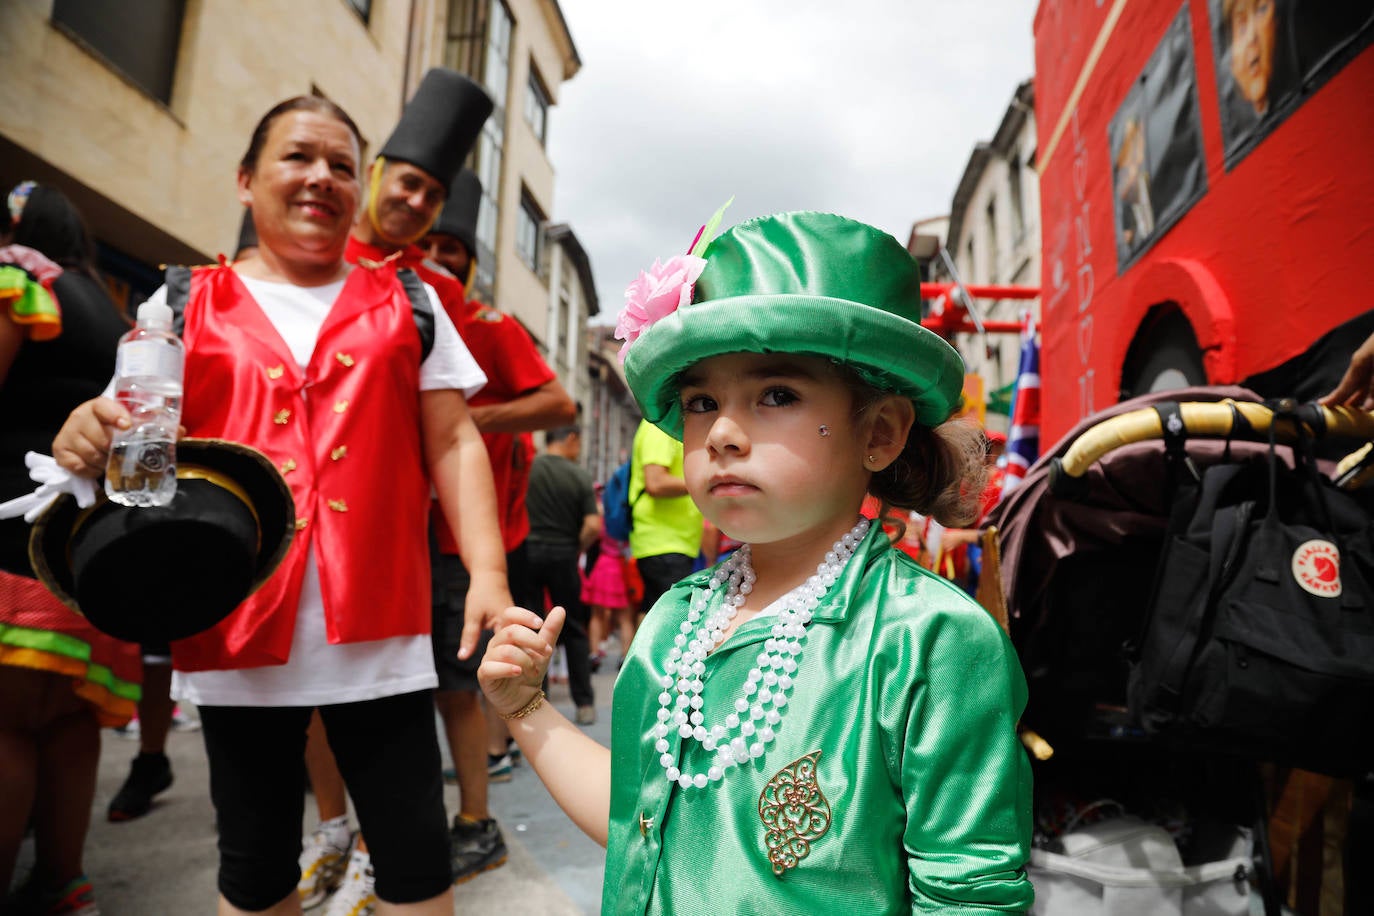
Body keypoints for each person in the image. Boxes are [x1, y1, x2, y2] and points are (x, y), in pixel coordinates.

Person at [478, 211, 1034, 913]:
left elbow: (971, 895)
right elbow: (641, 830)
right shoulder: (675, 621)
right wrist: (528, 710)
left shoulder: (929, 638)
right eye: (702, 402)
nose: (724, 435)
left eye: (777, 396)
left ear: (882, 433)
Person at [51, 93, 509, 916]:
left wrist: (487, 571)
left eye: (340, 164)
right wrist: (89, 429)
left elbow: (453, 441)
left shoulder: (411, 299)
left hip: (382, 623)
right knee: (255, 865)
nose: (320, 178)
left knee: (416, 861)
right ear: (245, 181)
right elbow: (130, 438)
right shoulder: (182, 302)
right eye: (297, 157)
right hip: (233, 618)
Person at [0, 181, 141, 914]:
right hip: (79, 542)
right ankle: (62, 879)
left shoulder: (18, 277)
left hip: (10, 521)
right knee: (64, 719)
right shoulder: (103, 303)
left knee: (8, 721)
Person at [523, 425, 600, 725]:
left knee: (531, 628)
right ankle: (584, 703)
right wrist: (575, 546)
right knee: (573, 628)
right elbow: (593, 525)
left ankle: (535, 699)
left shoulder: (529, 469)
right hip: (564, 555)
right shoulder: (578, 475)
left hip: (527, 553)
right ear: (570, 439)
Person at [627, 418, 702, 625]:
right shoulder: (660, 425)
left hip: (670, 541)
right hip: (664, 541)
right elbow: (656, 482)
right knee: (670, 619)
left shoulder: (667, 424)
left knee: (655, 610)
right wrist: (704, 482)